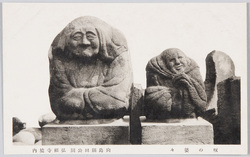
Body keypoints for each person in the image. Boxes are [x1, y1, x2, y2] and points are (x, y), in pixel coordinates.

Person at [48, 16, 133, 120]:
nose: (84, 42)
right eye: (77, 37)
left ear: (102, 38)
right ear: (67, 41)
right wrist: (100, 96)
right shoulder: (60, 59)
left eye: (90, 36)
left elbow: (117, 101)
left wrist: (75, 97)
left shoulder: (117, 57)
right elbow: (59, 101)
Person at [145, 48, 207, 119]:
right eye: (172, 60)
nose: (177, 62)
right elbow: (150, 95)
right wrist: (170, 92)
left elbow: (202, 95)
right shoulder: (156, 70)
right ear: (165, 63)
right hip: (165, 115)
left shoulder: (192, 68)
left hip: (189, 113)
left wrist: (187, 83)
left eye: (180, 58)